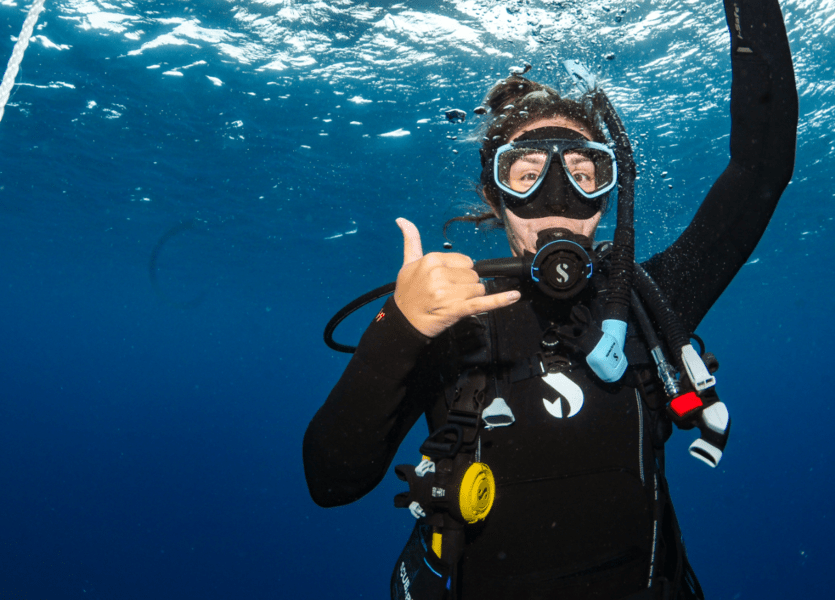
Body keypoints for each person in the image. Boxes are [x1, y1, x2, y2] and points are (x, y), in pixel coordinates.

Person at [303, 0, 797, 598]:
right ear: (496, 197)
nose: (557, 197)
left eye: (583, 175)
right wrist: (400, 329)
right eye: (527, 174)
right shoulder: (451, 325)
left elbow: (762, 165)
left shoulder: (648, 302)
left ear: (607, 194)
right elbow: (332, 482)